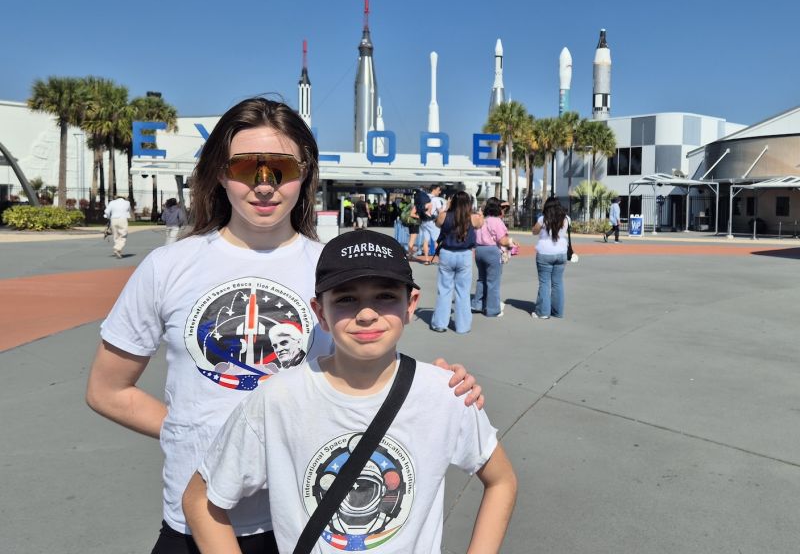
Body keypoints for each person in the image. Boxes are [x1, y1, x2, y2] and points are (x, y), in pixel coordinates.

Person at [85, 97, 484, 554]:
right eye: (245, 168)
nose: (264, 186)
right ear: (219, 173)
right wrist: (194, 431)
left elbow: (372, 373)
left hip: (306, 521)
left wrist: (443, 388)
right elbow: (107, 390)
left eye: (281, 169)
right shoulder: (167, 267)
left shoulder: (334, 271)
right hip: (195, 522)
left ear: (305, 175)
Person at [183, 230, 517, 554]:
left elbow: (501, 481)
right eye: (346, 299)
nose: (367, 314)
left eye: (385, 296)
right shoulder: (277, 401)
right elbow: (200, 499)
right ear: (320, 313)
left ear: (410, 304)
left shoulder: (446, 394)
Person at [430, 191, 484, 334]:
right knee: (463, 292)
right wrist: (480, 214)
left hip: (447, 253)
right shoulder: (472, 218)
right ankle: (463, 326)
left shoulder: (444, 215)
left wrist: (446, 208)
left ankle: (440, 323)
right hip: (465, 255)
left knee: (444, 289)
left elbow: (437, 223)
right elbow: (480, 224)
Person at [471, 197, 514, 317]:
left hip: (479, 251)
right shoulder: (496, 221)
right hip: (492, 251)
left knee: (482, 279)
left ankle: (477, 304)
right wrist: (511, 241)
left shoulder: (482, 220)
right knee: (493, 281)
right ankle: (492, 309)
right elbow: (502, 240)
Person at [532, 197, 570, 319]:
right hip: (561, 253)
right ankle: (558, 311)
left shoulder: (543, 219)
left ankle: (543, 312)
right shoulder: (567, 219)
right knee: (558, 283)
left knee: (544, 283)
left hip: (544, 253)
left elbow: (534, 231)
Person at [104, 193, 132, 258]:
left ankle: (118, 250)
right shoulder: (127, 203)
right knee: (123, 235)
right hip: (123, 219)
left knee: (116, 236)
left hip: (113, 219)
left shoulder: (112, 202)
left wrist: (108, 217)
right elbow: (128, 211)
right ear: (124, 197)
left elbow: (107, 212)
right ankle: (117, 249)